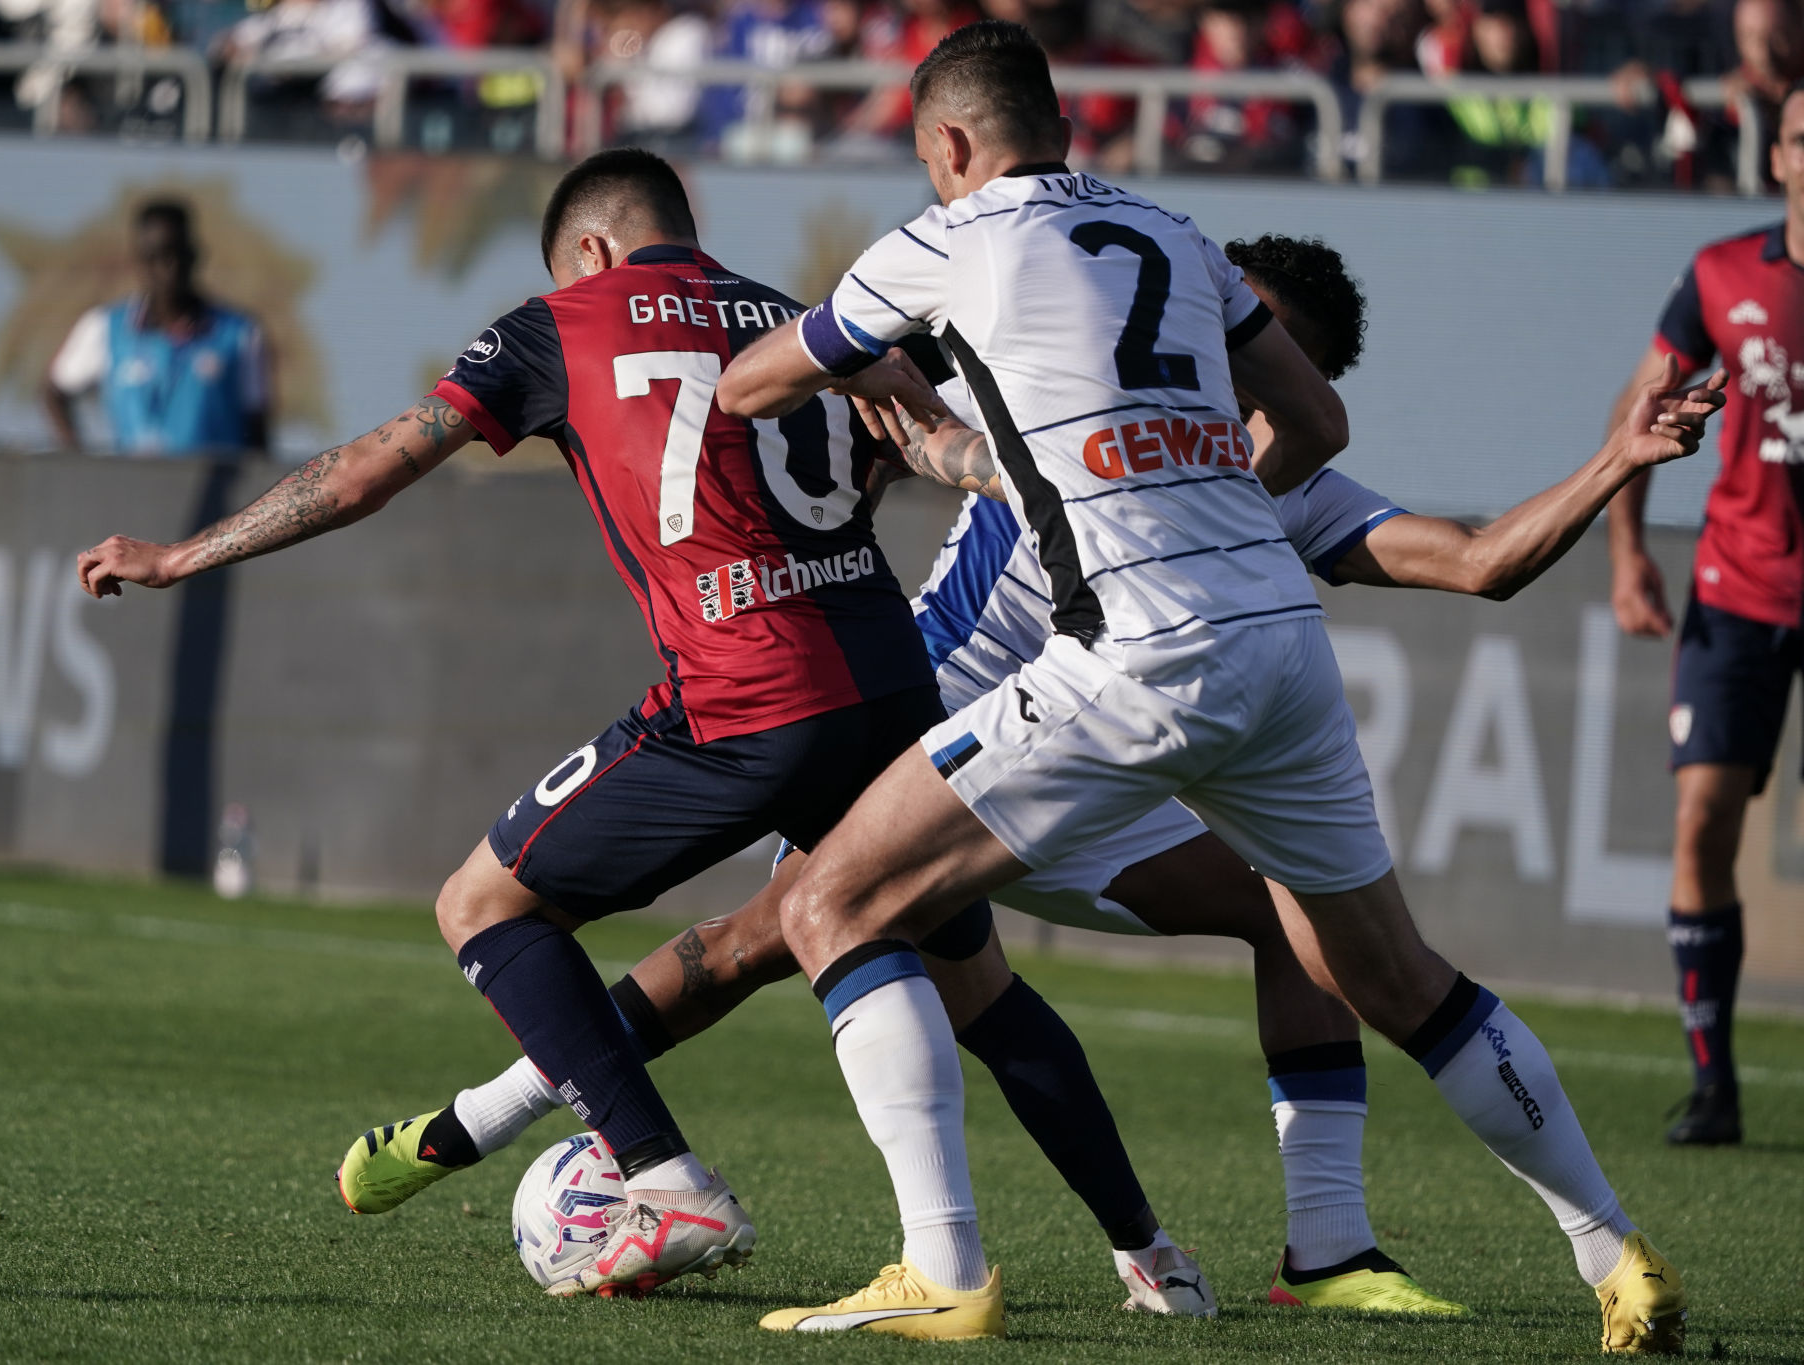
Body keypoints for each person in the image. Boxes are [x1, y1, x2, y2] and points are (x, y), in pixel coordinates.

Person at [345, 232, 1724, 1324]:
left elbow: (1478, 562)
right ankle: (482, 1123)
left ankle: (1323, 1241)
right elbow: (861, 400)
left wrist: (1615, 461)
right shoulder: (1104, 397)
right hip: (949, 718)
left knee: (1261, 911)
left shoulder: (1261, 481)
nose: (1215, 352)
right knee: (768, 942)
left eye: (1256, 345)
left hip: (1085, 741)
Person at [713, 21, 1689, 1351]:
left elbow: (752, 382)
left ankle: (938, 1266)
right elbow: (1322, 427)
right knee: (1399, 976)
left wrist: (881, 379)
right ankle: (1612, 1250)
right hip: (1277, 645)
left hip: (1126, 652)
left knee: (827, 900)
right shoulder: (1177, 236)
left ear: (947, 143)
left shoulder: (951, 235)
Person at [75, 147, 1127, 1305]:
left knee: (482, 904)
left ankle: (662, 1176)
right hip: (884, 685)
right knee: (950, 969)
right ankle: (1142, 1258)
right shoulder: (801, 321)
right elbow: (915, 451)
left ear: (590, 252)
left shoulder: (557, 323)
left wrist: (183, 553)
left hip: (739, 697)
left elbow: (371, 467)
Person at [1605, 78, 1804, 1150]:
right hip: (1734, 591)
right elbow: (1639, 405)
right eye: (1800, 140)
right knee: (1698, 824)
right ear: (1774, 155)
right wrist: (1626, 548)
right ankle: (1711, 1083)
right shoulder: (1724, 275)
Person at [43, 200, 273, 457]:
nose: (167, 269)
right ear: (138, 261)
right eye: (155, 257)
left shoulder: (239, 334)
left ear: (194, 255)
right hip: (134, 489)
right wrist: (78, 457)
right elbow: (55, 389)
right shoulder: (106, 329)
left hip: (221, 490)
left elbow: (258, 430)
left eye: (175, 254)